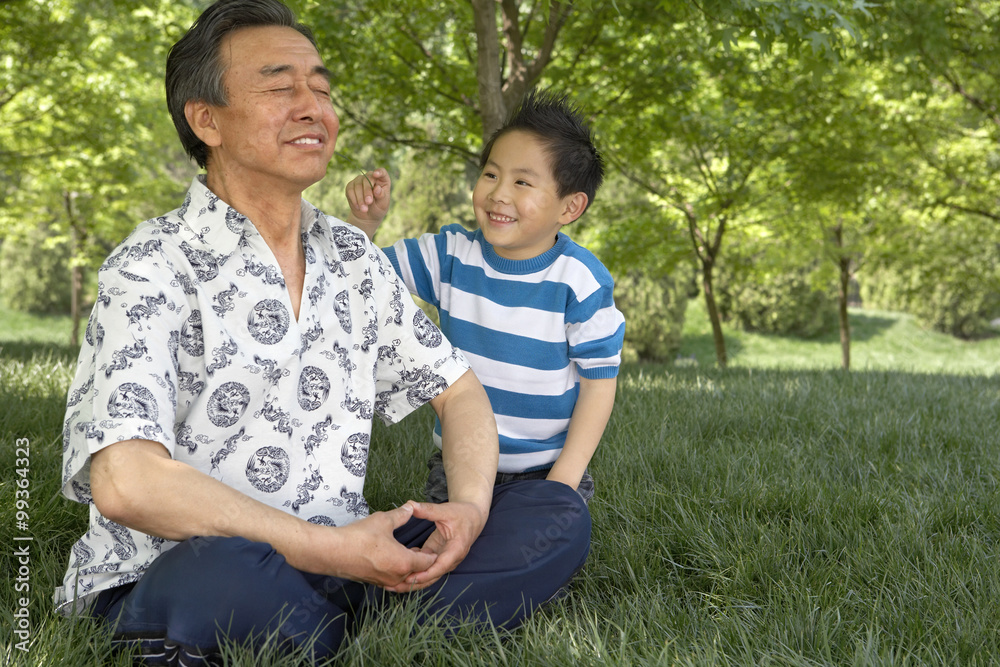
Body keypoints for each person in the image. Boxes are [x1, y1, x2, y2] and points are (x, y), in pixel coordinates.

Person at [54, 1, 590, 663]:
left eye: (323, 89)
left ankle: (331, 629)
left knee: (554, 515)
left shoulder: (353, 257)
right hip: (191, 567)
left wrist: (470, 510)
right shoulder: (150, 266)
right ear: (206, 119)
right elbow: (126, 482)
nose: (314, 106)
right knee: (216, 578)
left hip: (345, 563)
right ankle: (371, 633)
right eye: (281, 88)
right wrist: (331, 548)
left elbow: (459, 389)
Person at [346, 90, 626, 505]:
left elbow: (599, 383)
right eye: (491, 174)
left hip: (545, 467)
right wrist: (363, 223)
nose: (498, 194)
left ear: (570, 207)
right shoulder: (450, 255)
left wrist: (565, 475)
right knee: (449, 549)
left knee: (540, 551)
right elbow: (358, 280)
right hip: (460, 462)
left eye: (522, 182)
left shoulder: (579, 280)